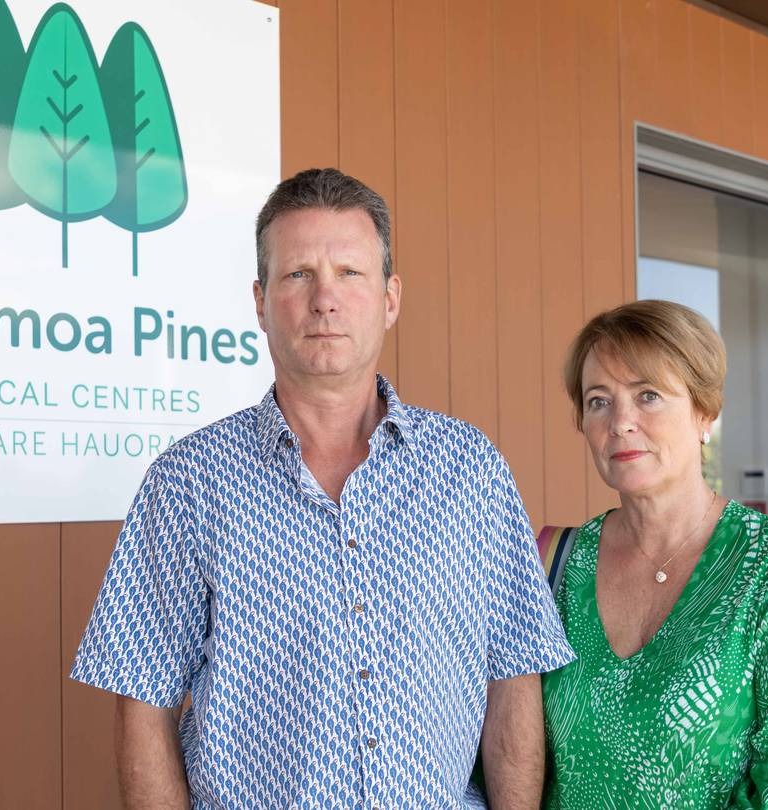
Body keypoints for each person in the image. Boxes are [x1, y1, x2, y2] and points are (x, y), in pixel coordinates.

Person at [71, 168, 573, 809]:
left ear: (390, 298)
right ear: (260, 302)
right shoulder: (188, 483)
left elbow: (514, 673)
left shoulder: (471, 469)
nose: (324, 299)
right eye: (298, 274)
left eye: (350, 273)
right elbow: (143, 702)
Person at [542, 299, 768, 809]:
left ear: (704, 413)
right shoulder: (555, 564)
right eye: (598, 401)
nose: (621, 422)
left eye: (648, 396)